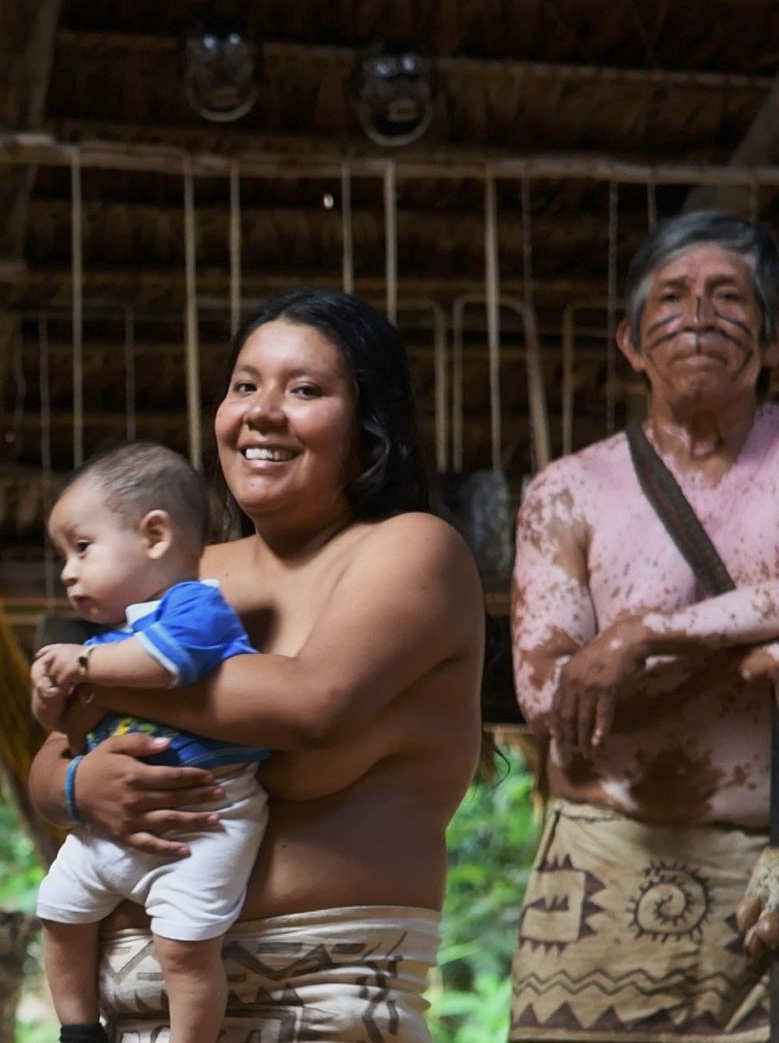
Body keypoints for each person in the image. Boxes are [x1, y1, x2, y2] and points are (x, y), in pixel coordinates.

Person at [30, 288, 485, 1042]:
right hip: (133, 1018)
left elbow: (312, 703)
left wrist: (99, 667)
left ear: (369, 432)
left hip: (325, 1009)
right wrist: (80, 783)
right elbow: (52, 747)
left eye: (304, 389)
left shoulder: (413, 551)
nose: (262, 410)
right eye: (245, 385)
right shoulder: (186, 569)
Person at [508, 211, 779, 1042]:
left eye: (727, 297)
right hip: (602, 868)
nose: (700, 316)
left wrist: (641, 634)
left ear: (776, 338)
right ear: (632, 343)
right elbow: (549, 698)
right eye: (672, 297)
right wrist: (753, 645)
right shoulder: (568, 491)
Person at [30, 442, 270, 1043]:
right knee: (58, 915)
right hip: (106, 830)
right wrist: (50, 693)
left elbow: (170, 664)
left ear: (155, 536)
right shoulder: (110, 635)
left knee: (187, 952)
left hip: (202, 823)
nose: (67, 571)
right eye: (63, 555)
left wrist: (85, 663)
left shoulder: (196, 605)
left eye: (82, 548)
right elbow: (60, 732)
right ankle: (79, 1029)